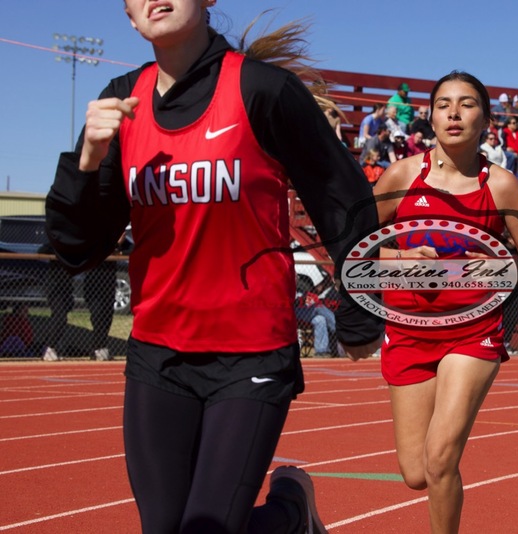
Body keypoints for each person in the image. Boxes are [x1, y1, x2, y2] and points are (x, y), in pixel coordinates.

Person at [44, 4, 383, 533]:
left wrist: (361, 305)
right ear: (130, 18)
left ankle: (290, 509)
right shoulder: (121, 102)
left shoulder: (262, 90)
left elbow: (340, 194)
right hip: (158, 353)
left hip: (250, 351)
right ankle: (291, 522)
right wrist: (87, 159)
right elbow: (75, 248)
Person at [371, 70, 518, 533]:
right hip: (408, 328)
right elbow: (353, 248)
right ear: (429, 116)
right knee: (415, 473)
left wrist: (496, 267)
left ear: (486, 119)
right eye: (444, 103)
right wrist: (401, 257)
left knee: (441, 457)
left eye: (467, 104)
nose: (453, 112)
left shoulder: (502, 185)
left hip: (472, 330)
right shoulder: (402, 175)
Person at [295, 290, 340, 357]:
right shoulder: (288, 287)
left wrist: (308, 300)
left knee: (320, 319)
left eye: (297, 278)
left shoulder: (304, 291)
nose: (296, 279)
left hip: (308, 314)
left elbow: (315, 298)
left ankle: (321, 351)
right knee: (318, 307)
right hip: (295, 314)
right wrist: (301, 300)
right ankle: (337, 327)